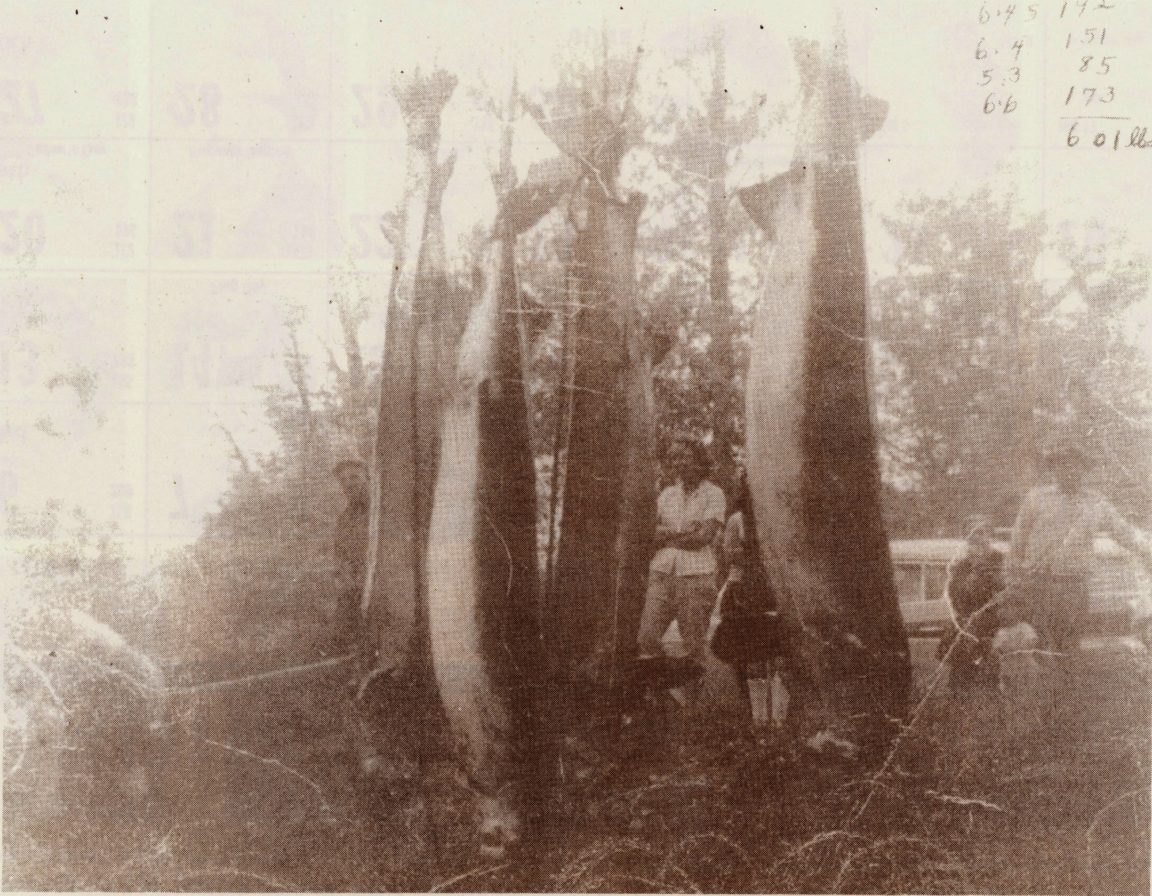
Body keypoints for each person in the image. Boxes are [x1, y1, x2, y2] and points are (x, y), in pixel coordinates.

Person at [1008, 443, 1152, 653]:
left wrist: (1148, 549)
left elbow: (1125, 533)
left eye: (1075, 466)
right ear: (1054, 469)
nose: (1069, 471)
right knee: (1038, 642)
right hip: (1039, 583)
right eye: (1062, 465)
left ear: (1084, 471)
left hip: (1074, 586)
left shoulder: (1096, 503)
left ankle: (1068, 673)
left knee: (1069, 645)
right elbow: (1017, 541)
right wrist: (1014, 578)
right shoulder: (1036, 498)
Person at [637, 440, 726, 680]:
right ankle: (661, 693)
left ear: (699, 461)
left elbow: (703, 538)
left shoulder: (713, 494)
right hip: (661, 573)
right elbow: (649, 533)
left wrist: (668, 536)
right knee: (646, 639)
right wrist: (683, 532)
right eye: (674, 458)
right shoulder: (667, 495)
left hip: (696, 577)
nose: (678, 463)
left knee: (693, 646)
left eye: (684, 457)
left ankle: (694, 698)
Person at [938, 518, 1004, 693]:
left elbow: (1006, 590)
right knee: (962, 671)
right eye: (973, 534)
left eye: (983, 533)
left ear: (990, 535)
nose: (979, 538)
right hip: (967, 621)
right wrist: (970, 581)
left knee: (992, 669)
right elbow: (954, 595)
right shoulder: (960, 564)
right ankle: (959, 695)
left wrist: (994, 581)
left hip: (993, 621)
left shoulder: (999, 560)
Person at [333, 459, 370, 652]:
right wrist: (348, 579)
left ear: (368, 478)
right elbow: (341, 556)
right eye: (343, 480)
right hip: (356, 590)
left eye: (354, 477)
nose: (348, 484)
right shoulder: (345, 519)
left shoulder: (381, 512)